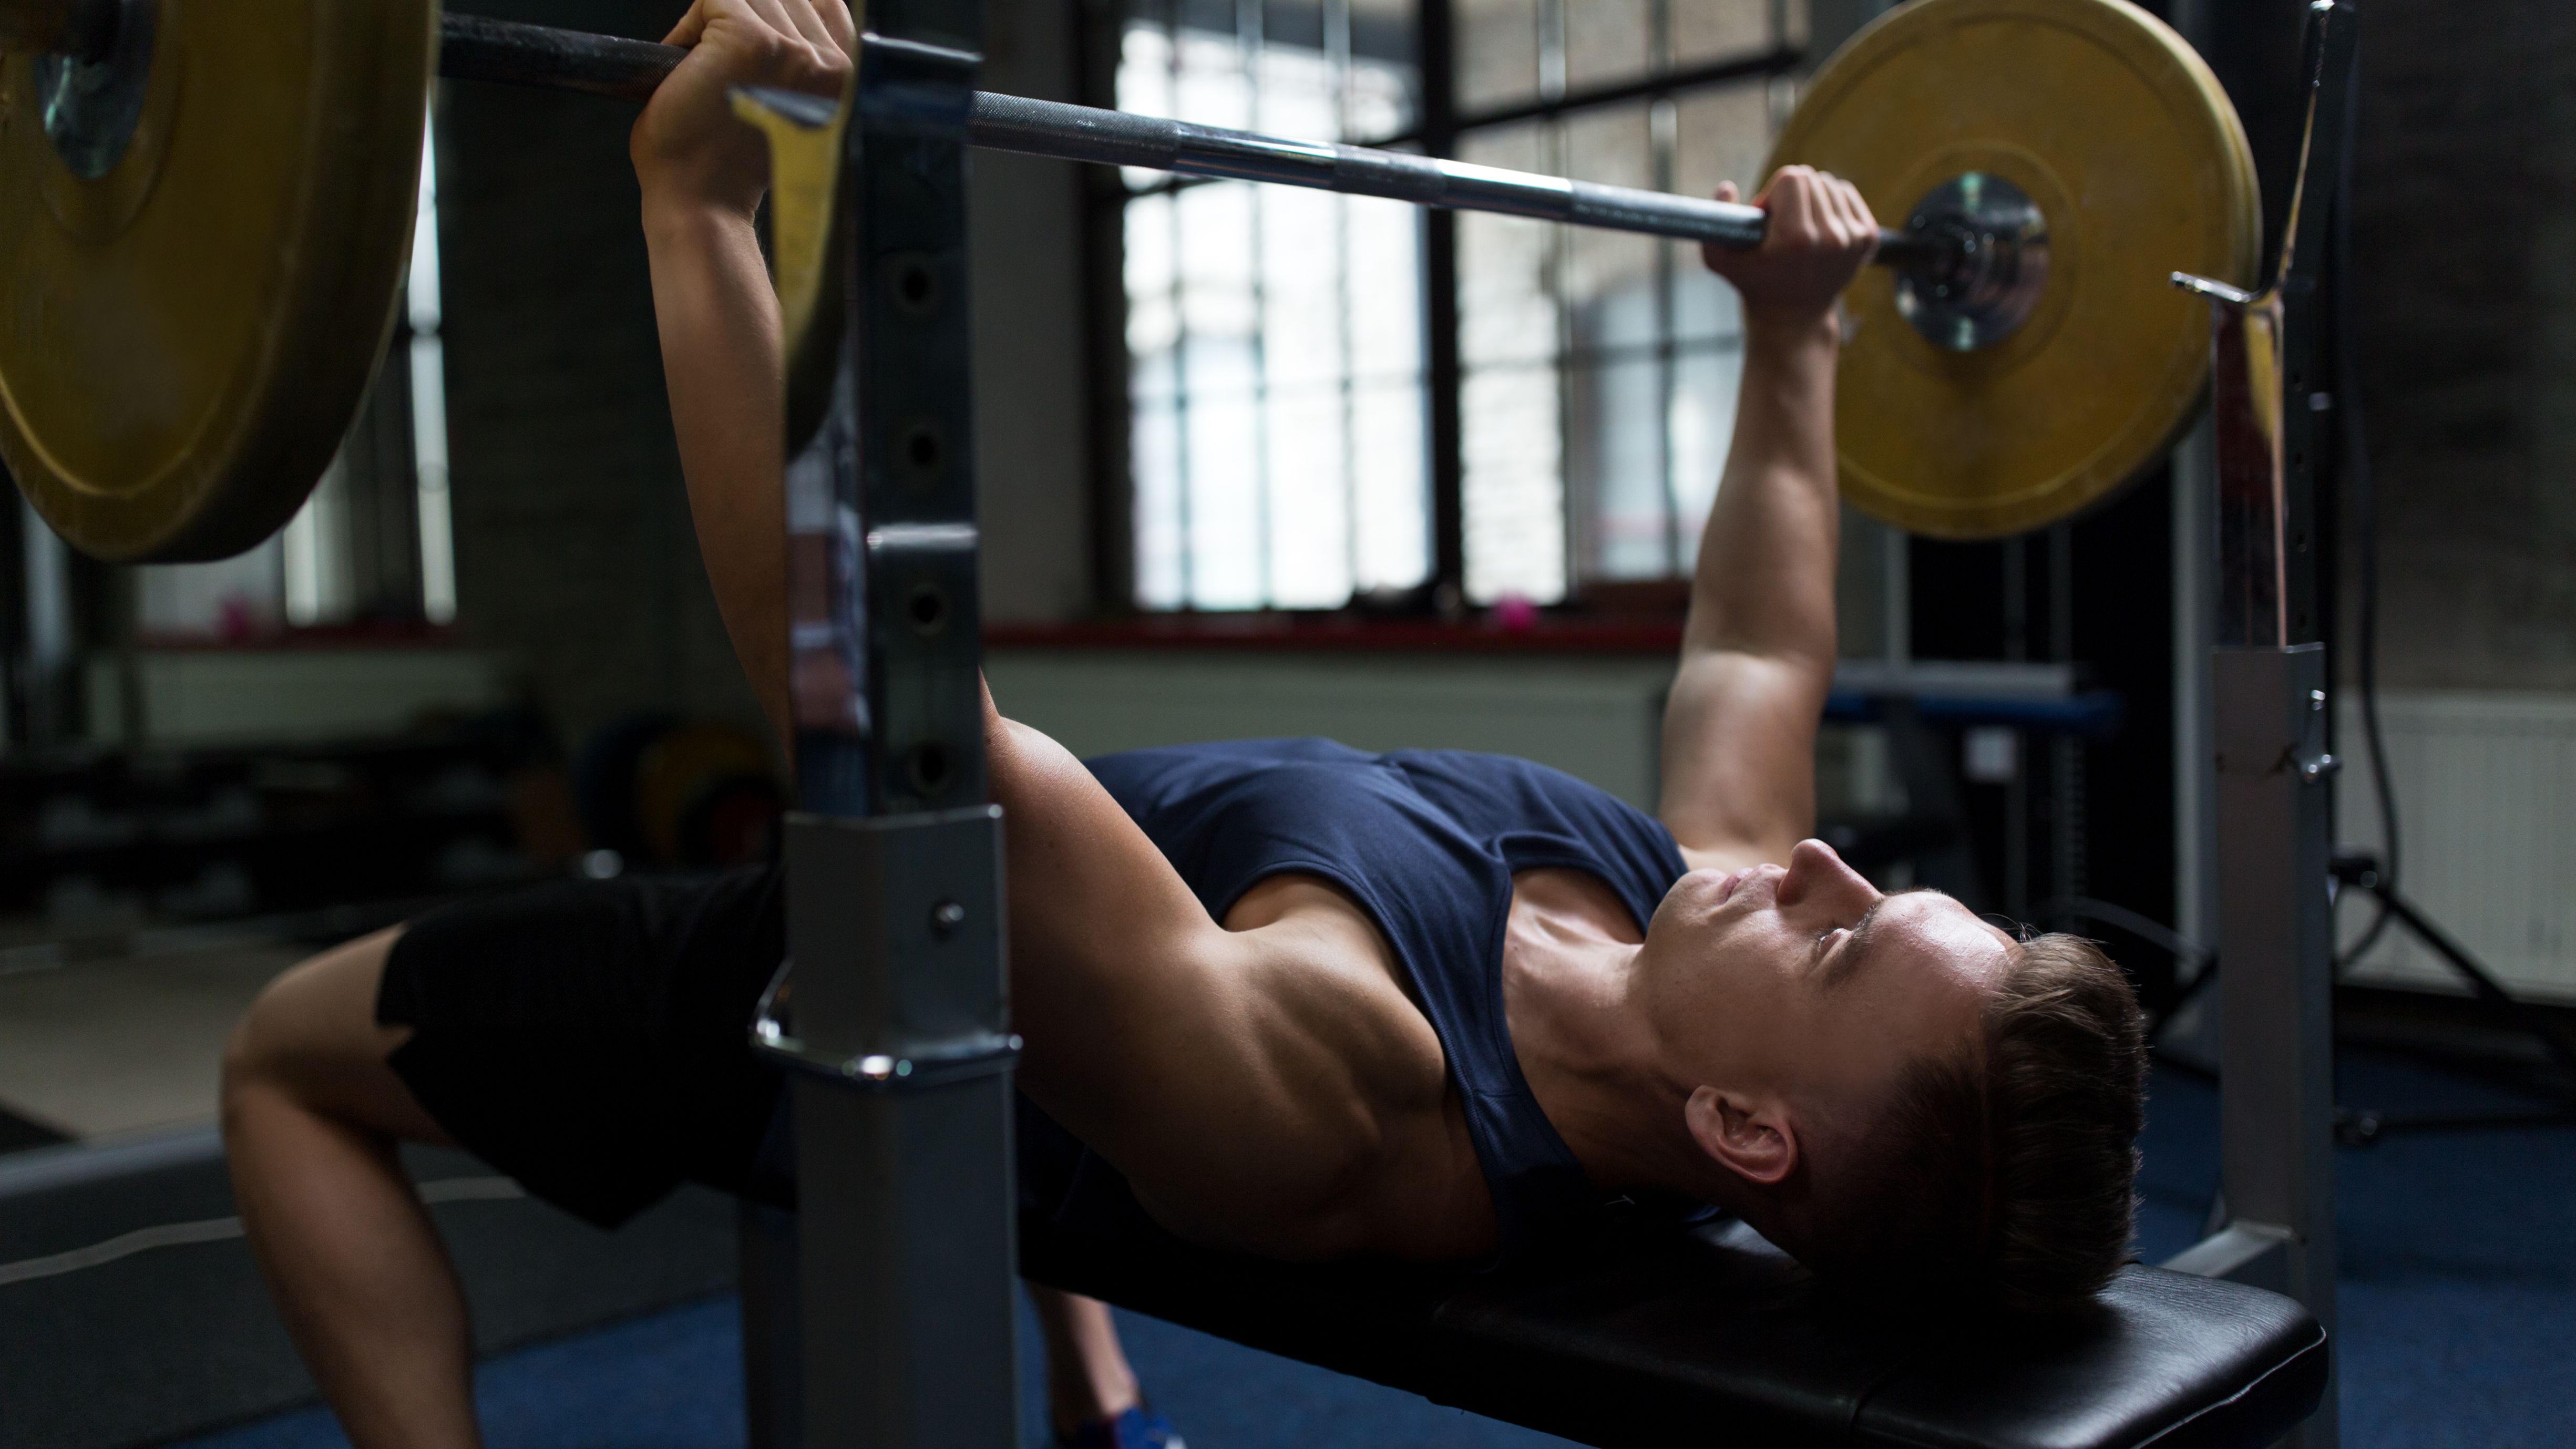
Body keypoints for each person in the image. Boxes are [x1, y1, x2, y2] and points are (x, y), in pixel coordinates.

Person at [218, 3, 2148, 1448]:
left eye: (1840, 937)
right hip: (1096, 972)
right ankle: (1101, 1399)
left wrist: (703, 208)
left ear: (1742, 1127)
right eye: (1861, 882)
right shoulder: (1698, 930)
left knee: (286, 1064)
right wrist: (1795, 336)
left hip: (806, 974)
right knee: (1101, 960)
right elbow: (1749, 660)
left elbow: (901, 732)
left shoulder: (1347, 1094)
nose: (1813, 865)